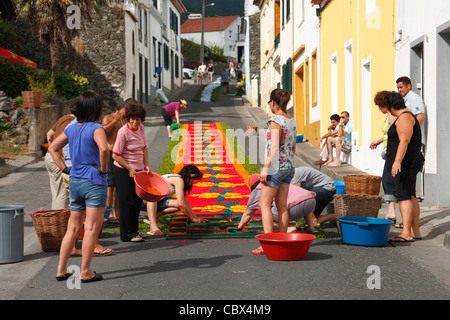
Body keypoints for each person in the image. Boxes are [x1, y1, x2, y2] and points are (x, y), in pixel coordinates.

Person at [49, 91, 109, 283]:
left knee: (72, 228)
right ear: (96, 108)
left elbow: (52, 147)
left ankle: (61, 269)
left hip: (75, 179)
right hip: (93, 180)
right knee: (91, 228)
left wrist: (64, 168)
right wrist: (104, 169)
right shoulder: (97, 128)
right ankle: (85, 272)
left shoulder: (72, 128)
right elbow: (104, 148)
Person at [255, 88, 297, 254]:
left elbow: (273, 147)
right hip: (289, 167)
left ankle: (267, 244)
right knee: (282, 207)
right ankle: (283, 239)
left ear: (273, 103)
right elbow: (293, 147)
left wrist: (265, 169)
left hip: (275, 168)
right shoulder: (292, 120)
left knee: (263, 204)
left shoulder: (275, 121)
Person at [383, 91, 424, 243]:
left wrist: (397, 161)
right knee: (410, 195)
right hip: (409, 161)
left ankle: (406, 233)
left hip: (407, 162)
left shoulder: (405, 117)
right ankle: (415, 231)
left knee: (404, 196)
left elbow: (404, 140)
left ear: (390, 106)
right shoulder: (406, 116)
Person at [112, 103, 150, 242]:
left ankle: (134, 231)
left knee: (136, 201)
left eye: (138, 119)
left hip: (137, 169)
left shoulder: (141, 129)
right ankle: (126, 234)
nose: (135, 122)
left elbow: (144, 148)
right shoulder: (123, 132)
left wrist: (146, 165)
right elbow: (115, 155)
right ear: (128, 119)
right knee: (126, 202)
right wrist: (129, 168)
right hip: (123, 169)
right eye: (132, 119)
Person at [238, 174, 317, 238]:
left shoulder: (259, 188)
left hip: (296, 207)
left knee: (266, 218)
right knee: (302, 200)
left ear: (254, 186)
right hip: (311, 201)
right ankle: (311, 228)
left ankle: (288, 228)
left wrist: (239, 227)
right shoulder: (277, 182)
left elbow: (248, 213)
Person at [101, 98, 138, 224]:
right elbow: (103, 132)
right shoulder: (109, 118)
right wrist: (115, 120)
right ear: (125, 107)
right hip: (111, 154)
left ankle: (117, 213)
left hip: (122, 155)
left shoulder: (127, 121)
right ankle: (109, 214)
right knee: (110, 186)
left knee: (119, 186)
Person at [145, 164, 207, 235]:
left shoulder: (182, 181)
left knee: (181, 204)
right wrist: (192, 218)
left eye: (196, 179)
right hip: (146, 201)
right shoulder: (178, 180)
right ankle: (153, 226)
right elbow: (181, 204)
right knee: (180, 204)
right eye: (193, 178)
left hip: (159, 201)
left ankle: (154, 216)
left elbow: (184, 202)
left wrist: (195, 217)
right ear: (187, 175)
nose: (194, 181)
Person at [370, 91, 398, 222]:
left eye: (380, 106)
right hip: (389, 152)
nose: (379, 109)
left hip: (393, 153)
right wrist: (379, 141)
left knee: (389, 181)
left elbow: (398, 134)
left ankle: (392, 212)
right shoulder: (389, 115)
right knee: (389, 182)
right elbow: (388, 134)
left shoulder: (392, 116)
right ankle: (391, 211)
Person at [45, 105, 76, 210]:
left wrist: (51, 149)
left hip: (49, 157)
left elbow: (49, 135)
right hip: (57, 158)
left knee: (57, 192)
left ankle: (57, 222)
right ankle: (59, 223)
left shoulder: (64, 118)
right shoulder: (72, 123)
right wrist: (58, 154)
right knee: (62, 193)